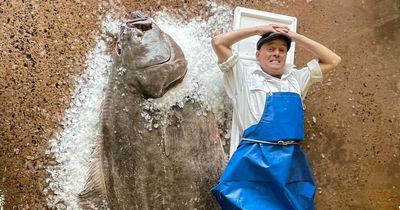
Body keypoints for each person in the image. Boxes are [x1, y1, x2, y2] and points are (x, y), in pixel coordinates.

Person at [210, 23, 341, 210]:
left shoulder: (297, 78)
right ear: (258, 55)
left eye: (282, 50)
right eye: (270, 49)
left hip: (291, 161)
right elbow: (218, 42)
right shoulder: (242, 75)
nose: (277, 53)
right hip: (253, 160)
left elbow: (333, 60)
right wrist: (257, 30)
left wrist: (294, 37)